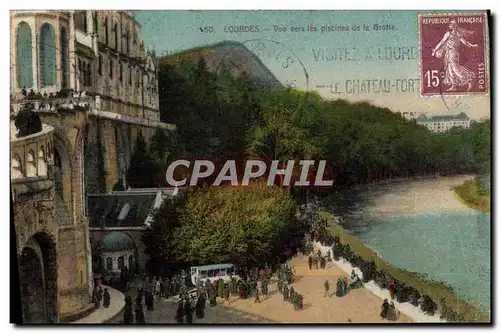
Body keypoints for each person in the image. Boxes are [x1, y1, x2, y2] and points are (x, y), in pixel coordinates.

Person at [431, 19, 478, 92]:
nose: (449, 25)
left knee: (455, 68)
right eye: (449, 24)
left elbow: (465, 43)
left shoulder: (453, 34)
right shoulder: (451, 34)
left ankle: (469, 79)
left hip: (453, 53)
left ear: (454, 26)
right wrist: (435, 50)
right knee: (450, 69)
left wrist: (473, 46)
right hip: (449, 53)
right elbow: (442, 43)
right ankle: (454, 86)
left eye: (451, 24)